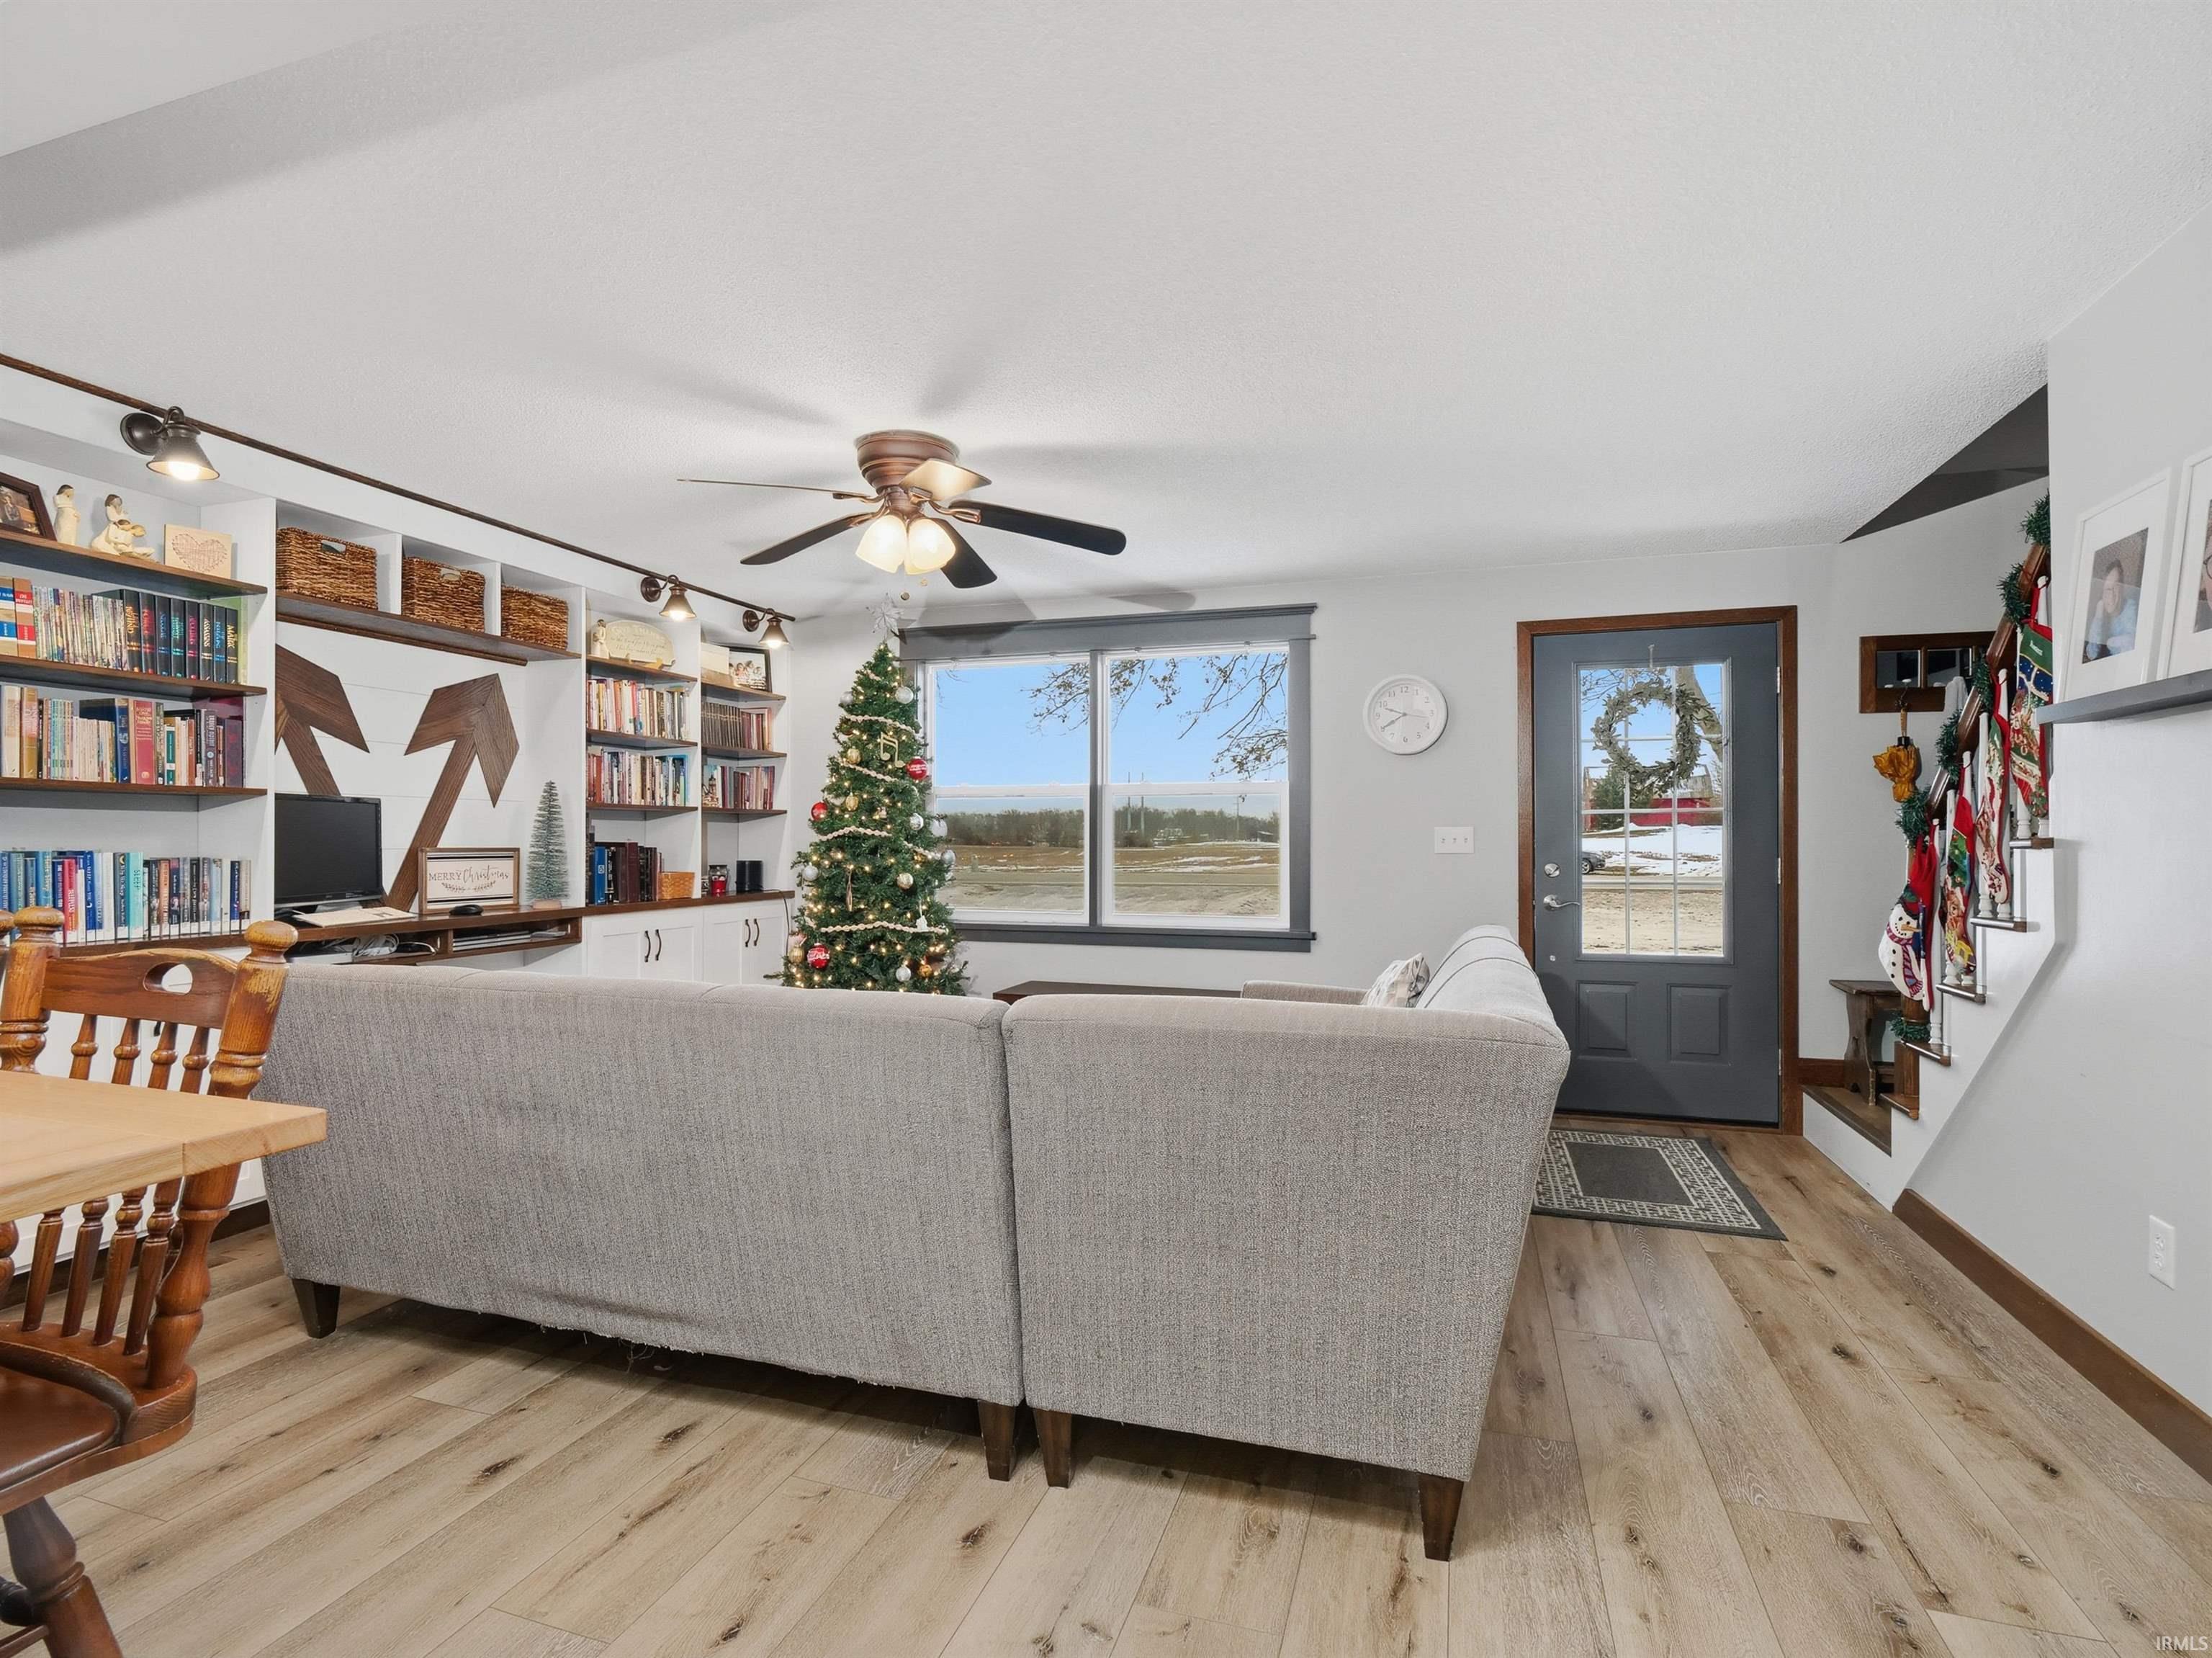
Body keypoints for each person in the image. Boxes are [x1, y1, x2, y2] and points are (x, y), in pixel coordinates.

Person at [2082, 557, 2139, 660]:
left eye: (2116, 587)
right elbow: (2092, 653)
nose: (2112, 594)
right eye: (2108, 589)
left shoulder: (2130, 608)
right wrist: (2098, 618)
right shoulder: (2100, 613)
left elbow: (2132, 645)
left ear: (2122, 589)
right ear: (2102, 593)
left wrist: (2111, 642)